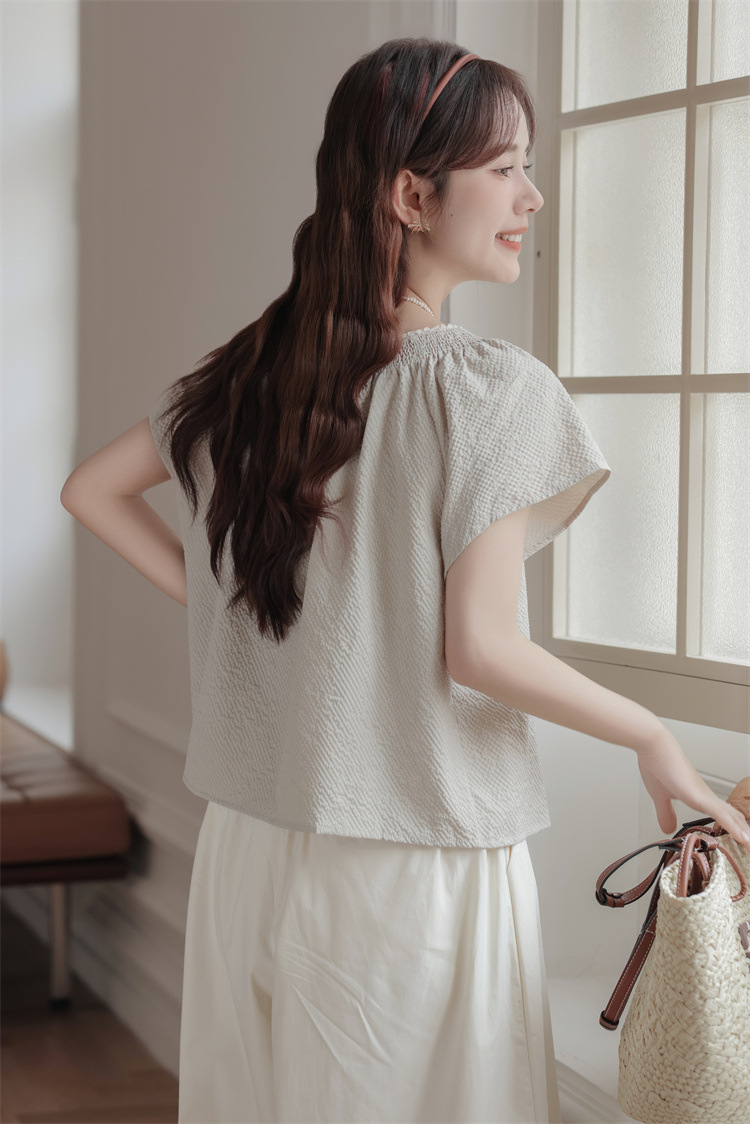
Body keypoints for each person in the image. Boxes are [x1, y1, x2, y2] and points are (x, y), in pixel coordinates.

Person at [61, 37, 750, 1124]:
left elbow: (90, 491)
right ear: (411, 195)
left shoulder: (255, 370)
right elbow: (481, 649)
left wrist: (235, 610)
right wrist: (649, 732)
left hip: (252, 843)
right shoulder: (485, 389)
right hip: (414, 854)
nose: (531, 196)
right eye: (505, 168)